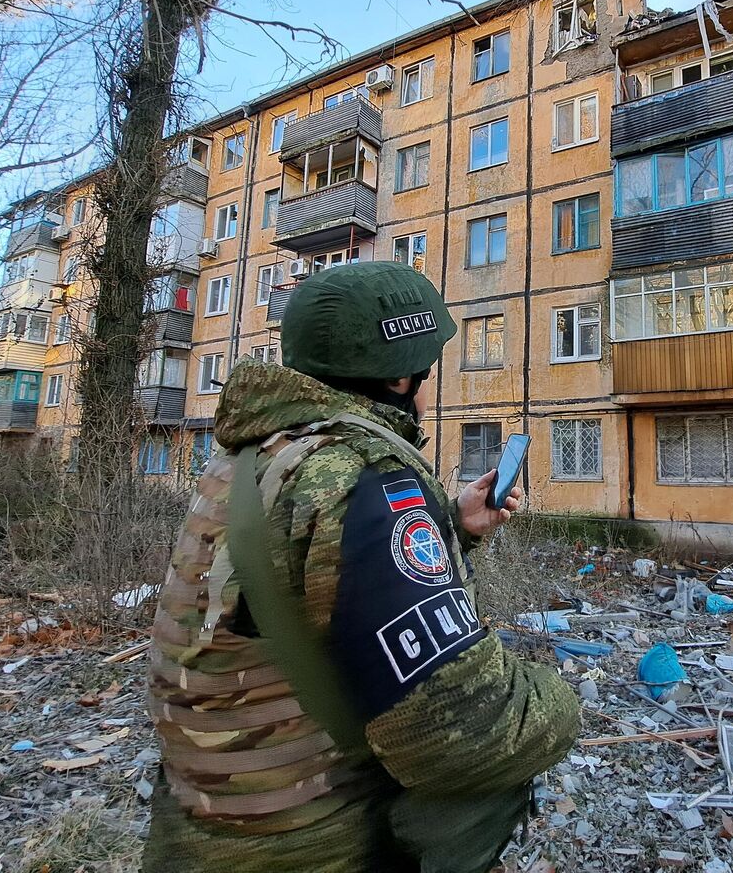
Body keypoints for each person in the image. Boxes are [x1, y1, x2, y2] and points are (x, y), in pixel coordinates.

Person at [142, 262, 580, 873]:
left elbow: (296, 586)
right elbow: (461, 731)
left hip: (206, 821)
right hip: (305, 837)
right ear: (401, 377)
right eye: (425, 369)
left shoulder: (256, 456)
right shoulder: (361, 475)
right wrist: (566, 699)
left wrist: (452, 528)